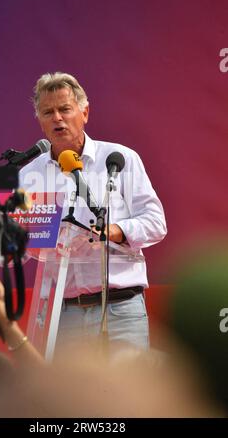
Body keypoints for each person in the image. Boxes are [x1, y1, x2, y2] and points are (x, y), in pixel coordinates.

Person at [20, 72, 167, 351]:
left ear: (84, 112)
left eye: (65, 109)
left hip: (122, 307)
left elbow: (156, 222)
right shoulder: (29, 175)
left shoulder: (119, 158)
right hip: (64, 314)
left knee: (128, 393)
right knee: (72, 396)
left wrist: (116, 231)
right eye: (48, 112)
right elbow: (20, 248)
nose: (57, 118)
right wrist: (7, 236)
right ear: (39, 121)